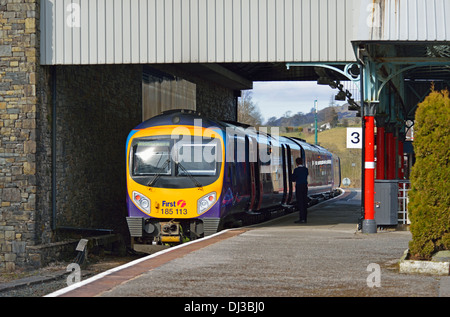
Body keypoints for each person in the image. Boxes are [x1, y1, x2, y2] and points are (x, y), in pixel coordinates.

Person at [292, 157, 309, 223]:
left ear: (296, 163)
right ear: (302, 162)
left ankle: (301, 218)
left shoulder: (296, 170)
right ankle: (305, 218)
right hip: (305, 186)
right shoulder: (306, 169)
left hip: (299, 187)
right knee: (304, 202)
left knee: (300, 203)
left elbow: (293, 179)